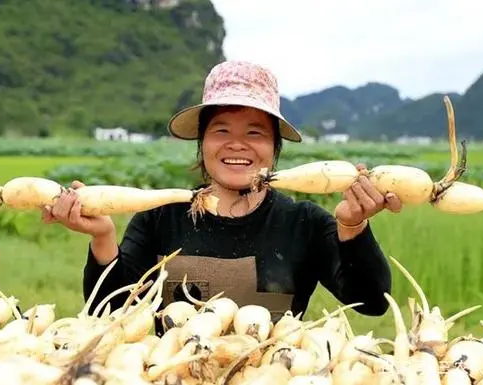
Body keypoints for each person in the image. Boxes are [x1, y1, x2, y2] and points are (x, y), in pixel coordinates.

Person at [41, 60, 402, 333]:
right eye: (222, 129)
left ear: (274, 147)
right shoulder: (159, 216)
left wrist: (354, 227)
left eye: (255, 132)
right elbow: (111, 313)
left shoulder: (304, 223)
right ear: (202, 144)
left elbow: (371, 303)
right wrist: (103, 237)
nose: (237, 143)